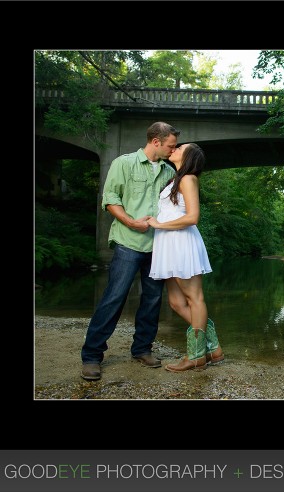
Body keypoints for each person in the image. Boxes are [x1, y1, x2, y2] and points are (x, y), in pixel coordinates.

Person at [81, 122, 180, 381]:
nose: (174, 149)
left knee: (152, 301)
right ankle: (92, 356)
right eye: (170, 145)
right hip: (128, 242)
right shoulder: (123, 164)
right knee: (114, 298)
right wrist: (131, 222)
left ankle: (142, 349)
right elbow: (111, 199)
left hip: (158, 247)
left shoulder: (169, 172)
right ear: (156, 141)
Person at [147, 143, 224, 372]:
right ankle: (214, 348)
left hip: (181, 242)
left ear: (188, 156)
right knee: (175, 302)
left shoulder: (189, 178)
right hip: (168, 243)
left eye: (180, 148)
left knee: (194, 298)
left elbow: (192, 217)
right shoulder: (175, 179)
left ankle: (197, 356)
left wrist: (159, 224)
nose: (175, 148)